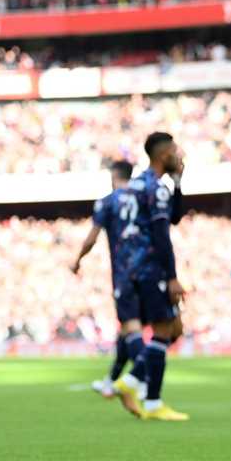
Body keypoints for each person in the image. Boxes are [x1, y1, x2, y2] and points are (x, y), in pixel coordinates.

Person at [112, 132, 189, 421]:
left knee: (169, 328)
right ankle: (133, 384)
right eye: (175, 151)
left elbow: (173, 217)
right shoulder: (155, 188)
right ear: (163, 154)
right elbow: (162, 233)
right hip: (150, 268)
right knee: (166, 329)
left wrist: (178, 182)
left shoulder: (134, 186)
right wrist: (172, 277)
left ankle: (150, 398)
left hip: (128, 269)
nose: (179, 155)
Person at [71, 161, 143, 399]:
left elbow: (91, 238)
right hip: (148, 269)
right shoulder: (143, 198)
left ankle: (144, 380)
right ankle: (111, 380)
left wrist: (77, 260)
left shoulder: (108, 201)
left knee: (131, 326)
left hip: (124, 271)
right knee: (127, 328)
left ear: (113, 176)